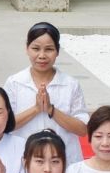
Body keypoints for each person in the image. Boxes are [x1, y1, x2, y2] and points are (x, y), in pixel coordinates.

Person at [8, 23, 91, 160]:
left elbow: (82, 129)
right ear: (27, 49)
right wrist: (36, 109)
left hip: (65, 162)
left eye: (49, 49)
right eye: (35, 48)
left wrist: (51, 109)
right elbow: (6, 125)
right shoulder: (14, 83)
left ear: (57, 51)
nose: (42, 55)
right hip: (24, 161)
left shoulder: (70, 85)